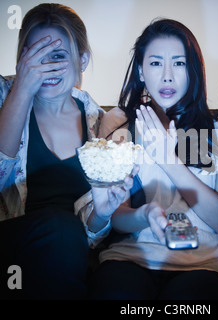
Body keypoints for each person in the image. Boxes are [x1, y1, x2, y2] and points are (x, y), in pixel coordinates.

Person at [88, 18, 218, 300]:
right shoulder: (123, 134)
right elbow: (117, 217)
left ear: (192, 71)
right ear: (141, 71)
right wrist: (145, 214)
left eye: (178, 63)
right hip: (130, 260)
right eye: (155, 63)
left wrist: (168, 159)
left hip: (201, 265)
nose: (167, 76)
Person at [0, 3, 133, 299]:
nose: (45, 69)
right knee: (62, 230)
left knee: (68, 235)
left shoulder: (101, 124)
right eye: (35, 56)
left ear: (81, 60)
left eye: (57, 56)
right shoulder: (3, 96)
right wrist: (21, 89)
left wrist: (102, 213)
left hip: (68, 255)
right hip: (12, 250)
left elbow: (92, 233)